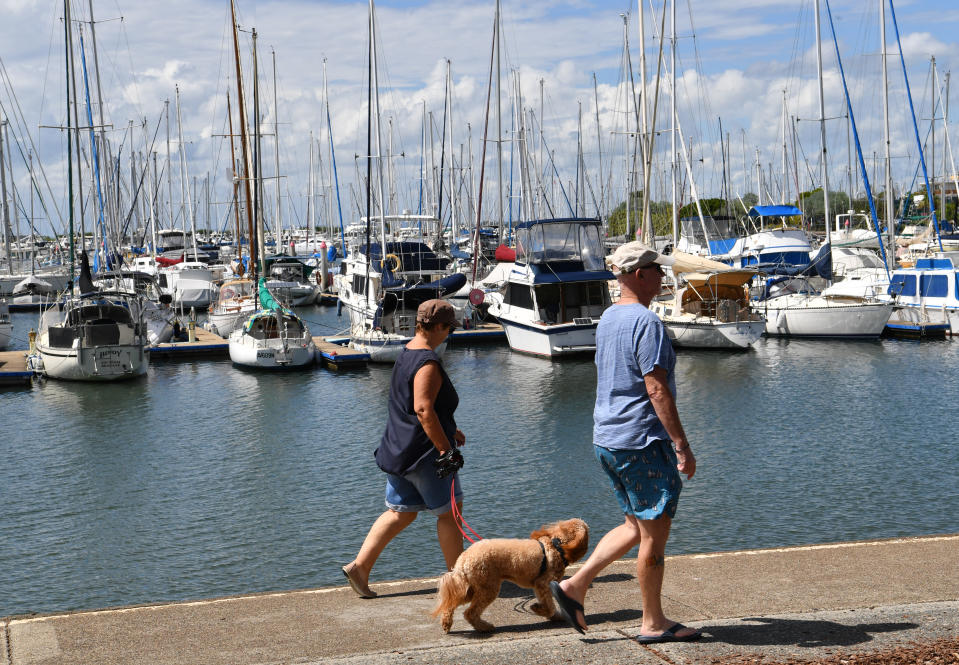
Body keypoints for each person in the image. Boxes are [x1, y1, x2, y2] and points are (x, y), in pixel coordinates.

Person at [550, 241, 701, 643]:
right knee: (653, 534)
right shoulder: (647, 323)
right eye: (657, 270)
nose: (662, 276)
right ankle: (653, 622)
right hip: (641, 441)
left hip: (609, 439)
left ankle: (574, 586)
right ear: (638, 275)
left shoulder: (609, 318)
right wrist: (682, 446)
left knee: (634, 524)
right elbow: (656, 389)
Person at [342, 299, 466, 598]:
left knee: (401, 513)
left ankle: (360, 567)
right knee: (450, 515)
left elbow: (414, 406)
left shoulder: (406, 353)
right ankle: (459, 583)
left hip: (398, 450)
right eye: (448, 328)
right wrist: (445, 450)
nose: (449, 333)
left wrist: (451, 429)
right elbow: (423, 409)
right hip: (425, 456)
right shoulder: (428, 362)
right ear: (437, 327)